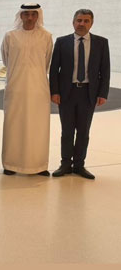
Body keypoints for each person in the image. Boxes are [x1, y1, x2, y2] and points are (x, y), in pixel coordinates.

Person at [50, 9, 110, 180]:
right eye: (79, 20)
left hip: (88, 93)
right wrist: (55, 91)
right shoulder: (62, 42)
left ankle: (79, 165)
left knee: (83, 131)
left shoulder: (101, 43)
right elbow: (54, 70)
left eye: (86, 21)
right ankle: (65, 164)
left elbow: (105, 70)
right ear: (73, 22)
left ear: (91, 23)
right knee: (67, 131)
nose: (82, 24)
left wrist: (102, 93)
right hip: (67, 93)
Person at [1, 3, 53, 176]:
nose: (30, 18)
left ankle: (38, 165)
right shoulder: (10, 36)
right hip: (16, 88)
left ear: (38, 16)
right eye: (26, 14)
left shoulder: (46, 37)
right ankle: (11, 164)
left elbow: (47, 62)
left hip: (38, 89)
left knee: (38, 126)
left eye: (33, 14)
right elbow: (6, 59)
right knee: (14, 125)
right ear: (21, 16)